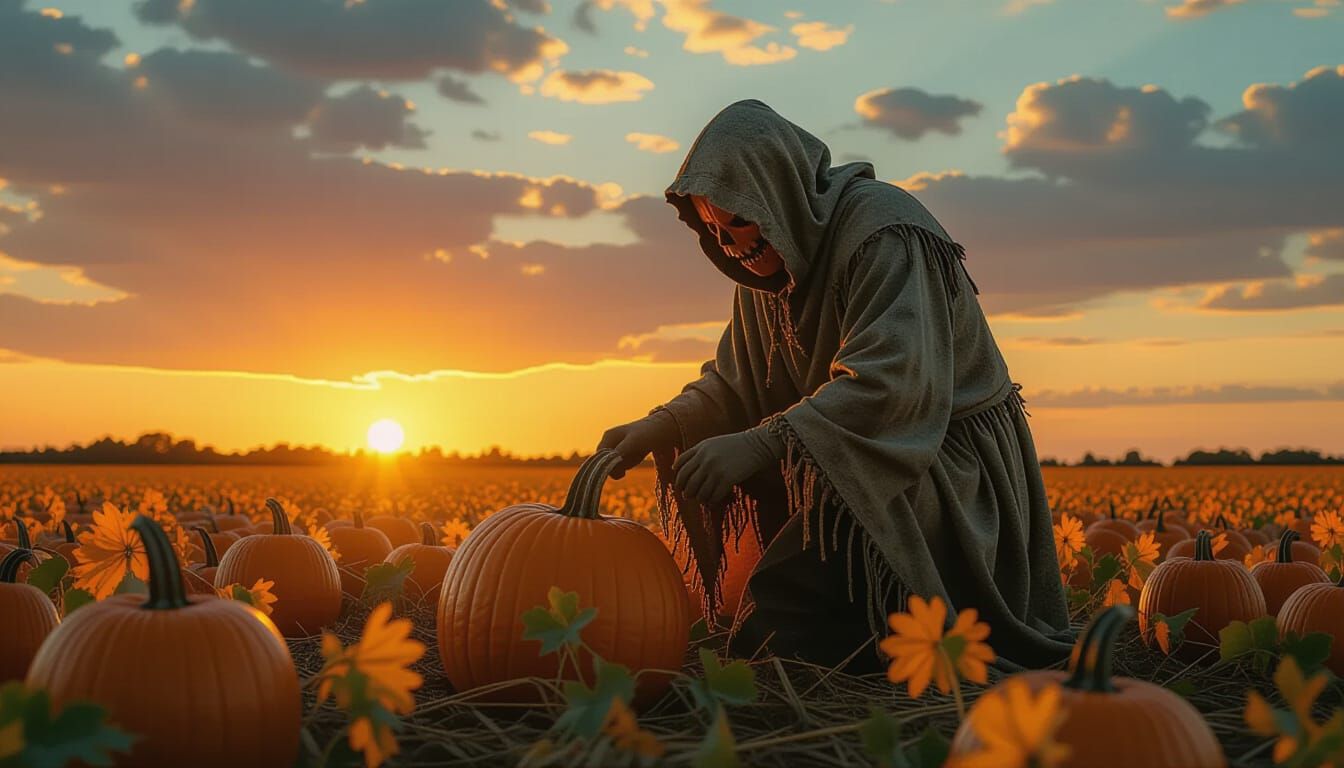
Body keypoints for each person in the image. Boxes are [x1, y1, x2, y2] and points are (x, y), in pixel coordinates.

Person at [595, 99, 1074, 674]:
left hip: (936, 464)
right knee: (773, 610)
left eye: (738, 221)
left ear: (776, 193)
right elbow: (733, 382)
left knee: (789, 613)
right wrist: (661, 425)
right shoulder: (766, 270)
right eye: (714, 229)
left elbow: (892, 387)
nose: (729, 244)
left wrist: (761, 443)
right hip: (847, 449)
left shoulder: (885, 233)